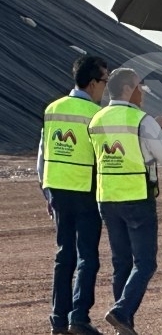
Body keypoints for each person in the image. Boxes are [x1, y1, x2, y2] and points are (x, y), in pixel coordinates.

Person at [87, 68, 162, 335]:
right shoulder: (141, 120)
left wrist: (154, 126)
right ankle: (121, 312)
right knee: (145, 263)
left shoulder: (97, 119)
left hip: (107, 197)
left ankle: (123, 326)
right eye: (140, 87)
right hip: (137, 196)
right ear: (129, 89)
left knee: (121, 263)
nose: (143, 92)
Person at [37, 55, 108, 335]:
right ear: (92, 84)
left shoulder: (52, 109)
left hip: (57, 191)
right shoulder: (95, 115)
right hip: (85, 190)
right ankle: (78, 317)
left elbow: (43, 153)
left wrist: (46, 190)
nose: (105, 87)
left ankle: (58, 318)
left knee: (63, 255)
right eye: (105, 81)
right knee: (87, 256)